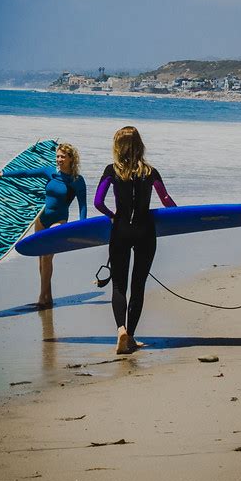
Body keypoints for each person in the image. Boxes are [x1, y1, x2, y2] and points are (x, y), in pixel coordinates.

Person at [94, 126, 176, 354]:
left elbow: (98, 202)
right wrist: (181, 217)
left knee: (119, 285)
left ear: (118, 147)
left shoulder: (111, 171)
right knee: (137, 286)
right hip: (144, 231)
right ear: (139, 145)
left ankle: (120, 330)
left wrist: (112, 217)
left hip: (120, 230)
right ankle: (130, 336)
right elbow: (166, 200)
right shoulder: (151, 172)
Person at [0, 143, 86, 306]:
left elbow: (83, 205)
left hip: (60, 220)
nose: (59, 159)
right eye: (58, 156)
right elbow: (27, 173)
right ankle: (48, 296)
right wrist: (4, 174)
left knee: (48, 256)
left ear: (71, 158)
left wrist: (83, 227)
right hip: (42, 219)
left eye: (63, 156)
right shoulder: (50, 172)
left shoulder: (77, 180)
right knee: (42, 259)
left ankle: (42, 298)